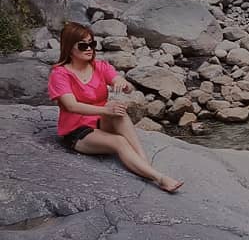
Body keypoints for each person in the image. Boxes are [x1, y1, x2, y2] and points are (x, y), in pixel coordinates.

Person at [47, 21, 183, 193]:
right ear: (69, 48)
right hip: (77, 131)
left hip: (99, 123)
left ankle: (144, 163)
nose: (89, 49)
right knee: (119, 141)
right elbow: (71, 106)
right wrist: (105, 110)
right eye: (83, 45)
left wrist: (122, 83)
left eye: (92, 44)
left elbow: (126, 85)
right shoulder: (60, 74)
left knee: (117, 109)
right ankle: (160, 178)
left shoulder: (99, 66)